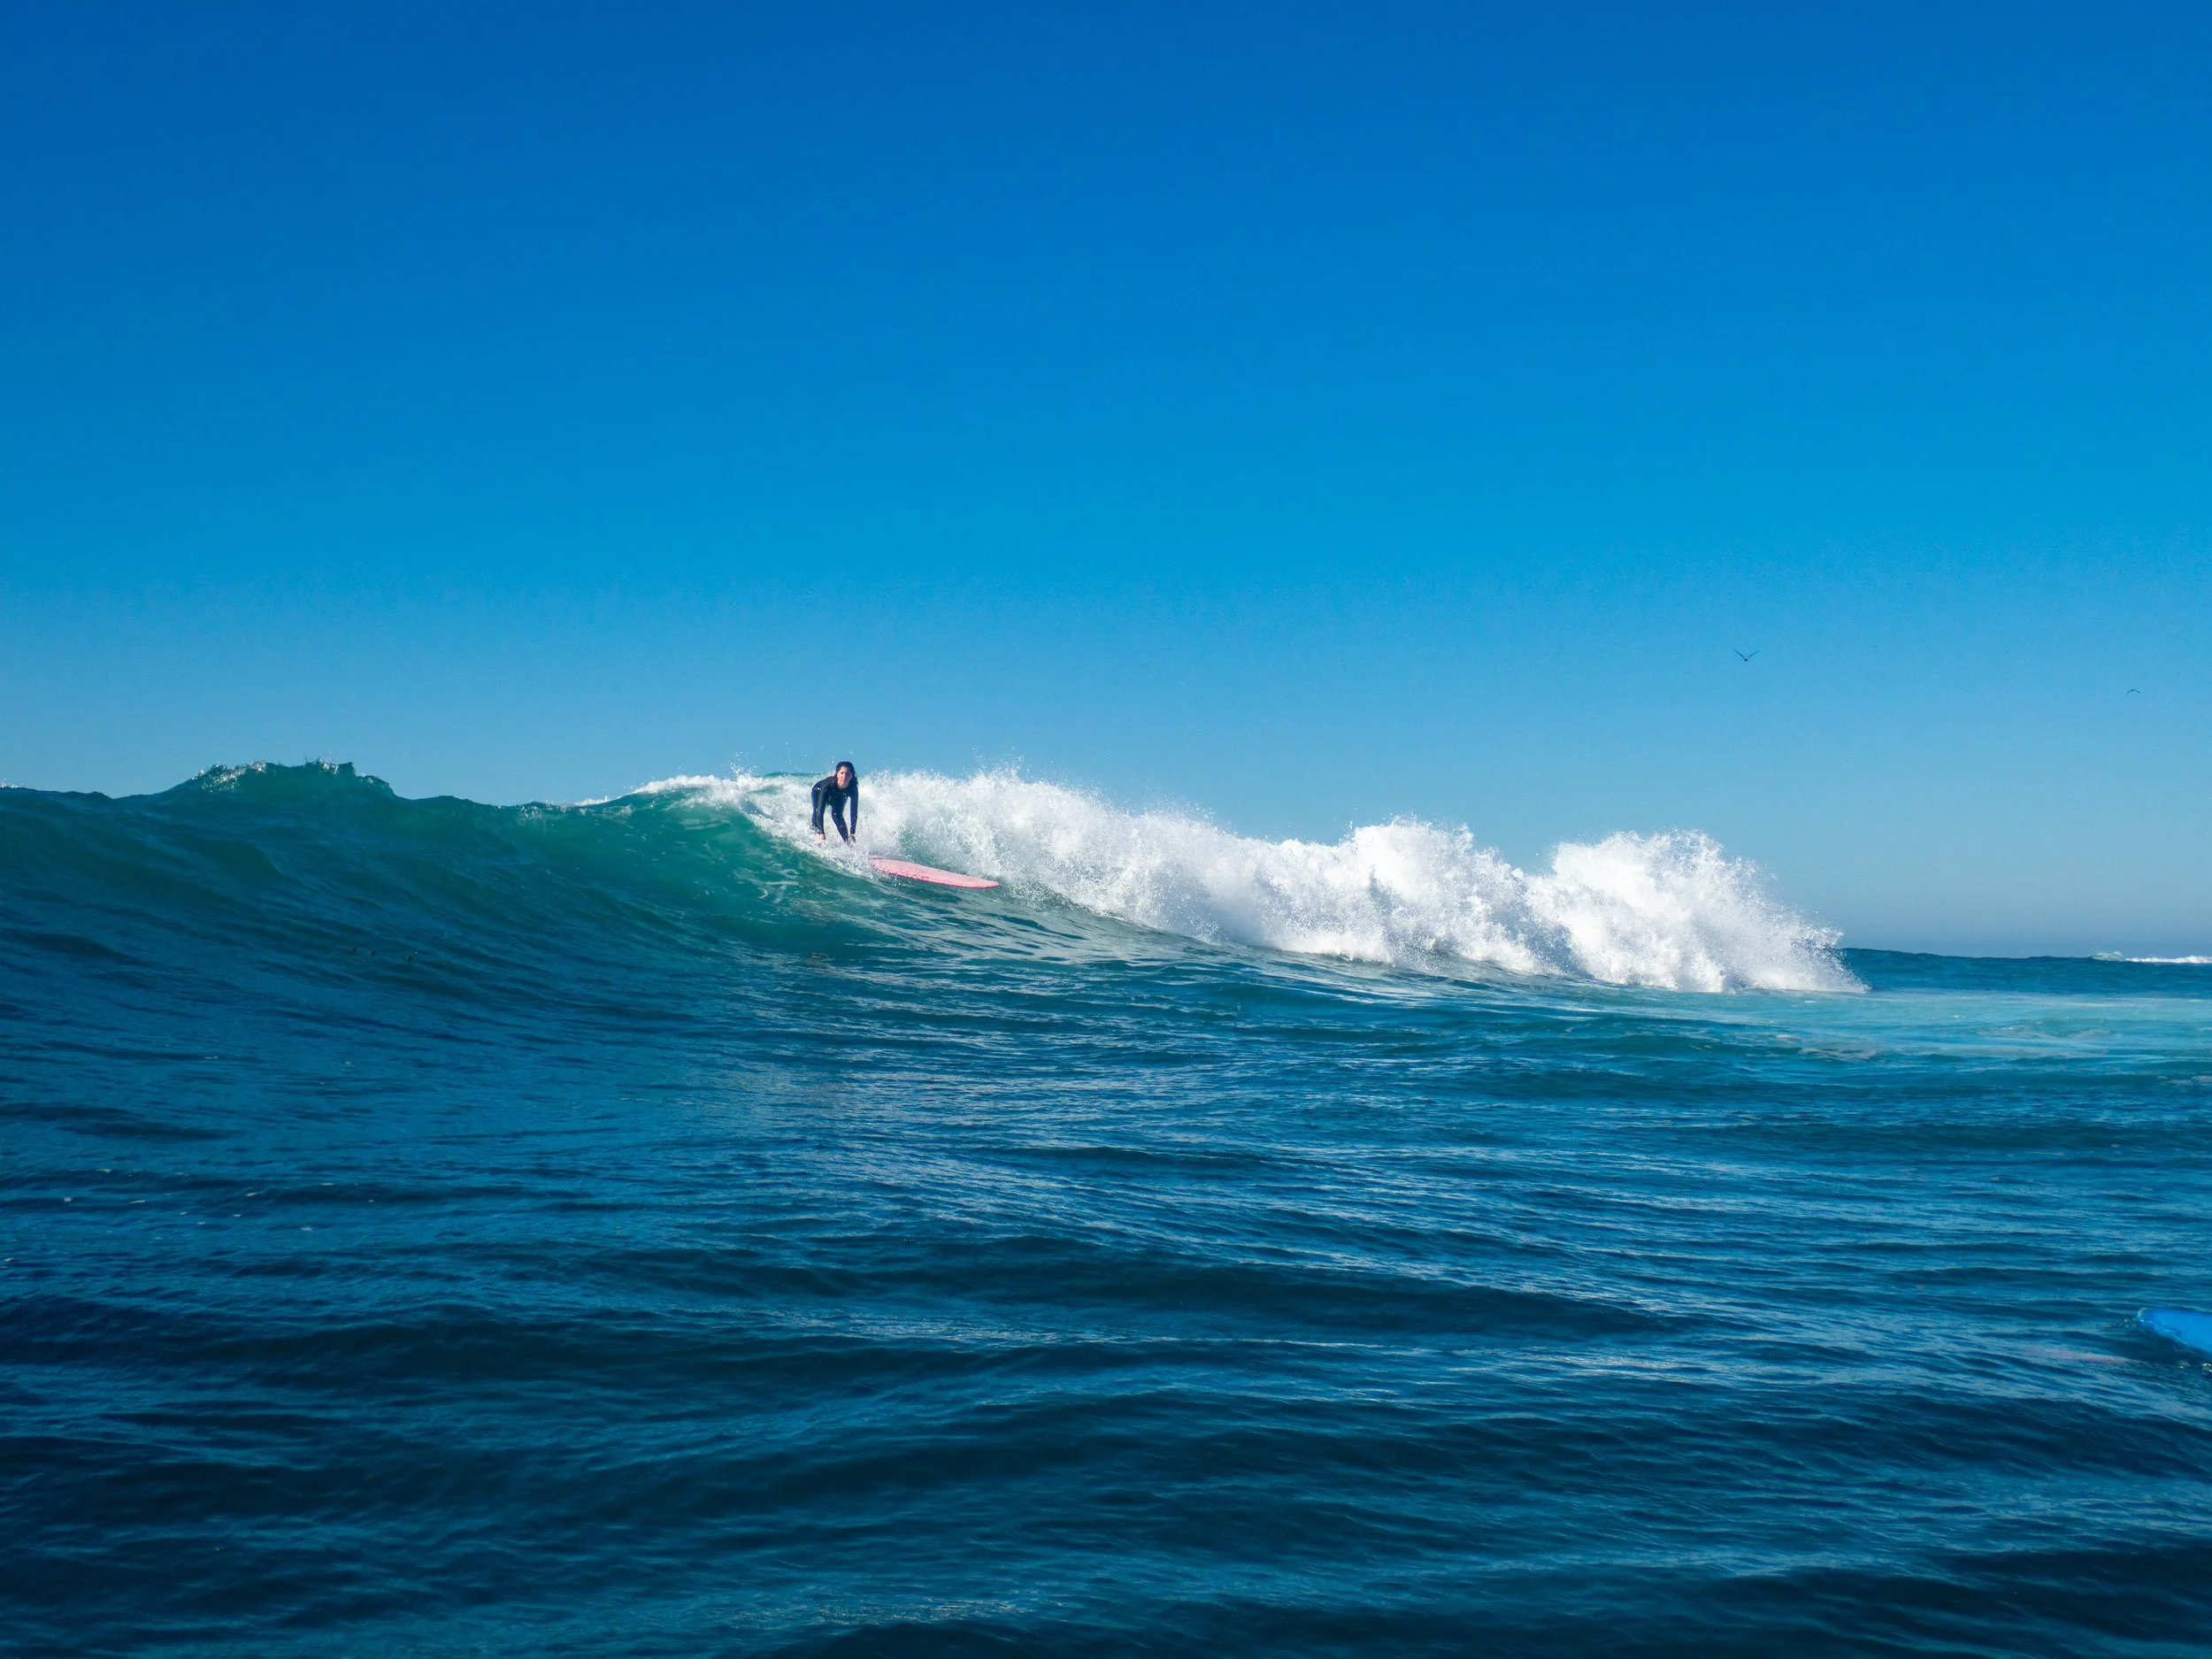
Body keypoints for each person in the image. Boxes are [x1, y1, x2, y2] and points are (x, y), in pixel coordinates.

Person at [811, 762, 860, 844]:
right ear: (837, 774)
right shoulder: (827, 786)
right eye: (842, 773)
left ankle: (847, 842)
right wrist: (822, 832)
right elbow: (820, 811)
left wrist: (852, 833)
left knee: (837, 815)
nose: (844, 776)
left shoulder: (853, 788)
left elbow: (854, 812)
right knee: (817, 811)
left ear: (852, 776)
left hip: (839, 796)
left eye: (847, 774)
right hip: (819, 791)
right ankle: (817, 833)